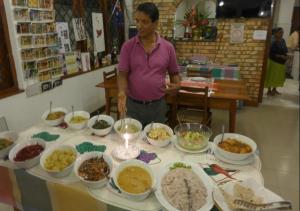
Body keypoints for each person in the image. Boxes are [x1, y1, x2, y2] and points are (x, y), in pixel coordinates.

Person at [117, 2, 180, 127]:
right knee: (132, 143)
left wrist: (177, 85)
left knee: (156, 142)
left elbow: (174, 74)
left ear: (155, 23)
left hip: (158, 106)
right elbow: (122, 75)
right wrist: (121, 93)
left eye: (144, 22)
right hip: (133, 105)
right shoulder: (127, 47)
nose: (139, 26)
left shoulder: (168, 47)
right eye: (137, 21)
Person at [265, 27, 288, 96]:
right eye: (280, 32)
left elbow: (285, 49)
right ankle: (269, 90)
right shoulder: (272, 40)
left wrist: (285, 56)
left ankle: (274, 89)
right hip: (273, 62)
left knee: (278, 77)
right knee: (271, 76)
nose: (281, 34)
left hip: (281, 63)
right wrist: (280, 56)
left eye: (282, 33)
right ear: (275, 33)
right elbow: (270, 52)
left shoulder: (283, 40)